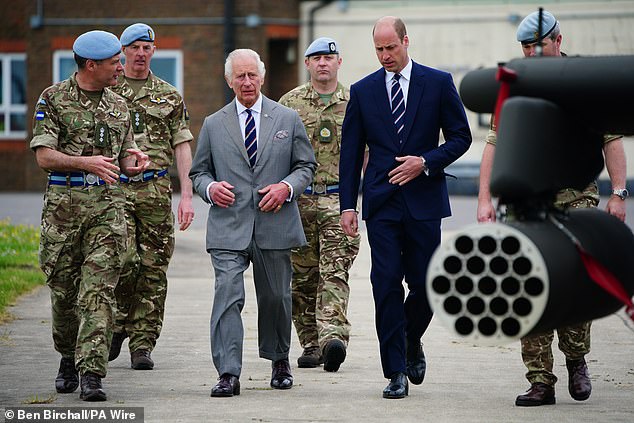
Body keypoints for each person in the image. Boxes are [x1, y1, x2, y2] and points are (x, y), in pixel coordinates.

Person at [476, 10, 628, 406]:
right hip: (526, 203)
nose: (532, 52)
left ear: (558, 40)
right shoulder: (516, 86)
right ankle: (540, 379)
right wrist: (484, 199)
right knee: (525, 283)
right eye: (526, 47)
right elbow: (494, 143)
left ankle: (576, 359)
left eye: (538, 44)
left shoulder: (583, 83)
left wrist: (618, 193)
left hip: (576, 198)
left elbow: (611, 140)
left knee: (575, 281)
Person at [339, 16, 472, 399]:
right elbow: (350, 154)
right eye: (378, 50)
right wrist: (349, 205)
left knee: (428, 286)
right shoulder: (363, 92)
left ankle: (412, 341)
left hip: (424, 201)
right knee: (384, 284)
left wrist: (426, 161)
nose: (385, 56)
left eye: (390, 48)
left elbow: (461, 137)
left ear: (405, 42)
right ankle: (395, 370)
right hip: (381, 204)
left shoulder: (438, 83)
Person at [30, 30, 150, 401]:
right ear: (90, 64)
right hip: (64, 211)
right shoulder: (53, 99)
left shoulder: (119, 104)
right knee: (64, 293)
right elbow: (44, 155)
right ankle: (68, 355)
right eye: (115, 61)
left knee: (99, 292)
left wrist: (134, 163)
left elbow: (126, 150)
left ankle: (92, 373)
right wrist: (86, 162)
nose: (121, 66)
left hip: (107, 210)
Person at [189, 48, 316, 397]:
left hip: (275, 222)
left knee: (276, 296)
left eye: (252, 75)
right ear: (229, 81)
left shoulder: (287, 119)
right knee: (227, 296)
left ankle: (279, 361)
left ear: (262, 77)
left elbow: (306, 166)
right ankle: (228, 372)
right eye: (240, 76)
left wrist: (287, 187)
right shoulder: (214, 124)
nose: (247, 82)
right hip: (229, 227)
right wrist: (211, 188)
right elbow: (199, 172)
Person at [108, 23, 195, 370]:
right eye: (134, 47)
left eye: (147, 47)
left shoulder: (169, 95)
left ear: (153, 51)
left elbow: (182, 144)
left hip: (157, 190)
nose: (141, 53)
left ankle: (142, 343)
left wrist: (187, 194)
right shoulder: (109, 92)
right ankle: (118, 323)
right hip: (116, 189)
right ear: (123, 52)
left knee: (154, 268)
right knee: (123, 260)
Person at [278, 37, 360, 372]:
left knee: (335, 270)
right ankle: (310, 344)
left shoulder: (356, 101)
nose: (323, 63)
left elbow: (369, 151)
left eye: (329, 57)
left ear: (339, 62)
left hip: (339, 199)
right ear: (307, 64)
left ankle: (332, 338)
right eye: (316, 58)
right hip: (299, 201)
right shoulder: (289, 104)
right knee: (302, 277)